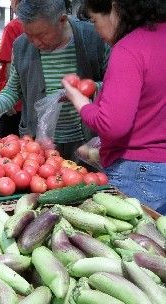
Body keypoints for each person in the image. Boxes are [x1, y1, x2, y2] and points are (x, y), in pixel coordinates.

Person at [62, 0, 166, 214]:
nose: (96, 30)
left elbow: (112, 126)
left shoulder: (129, 48)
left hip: (139, 175)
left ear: (115, 7)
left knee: (135, 244)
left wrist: (79, 101)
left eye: (94, 20)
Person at [0, 0, 108, 161]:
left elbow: (117, 87)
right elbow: (13, 89)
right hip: (39, 145)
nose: (36, 42)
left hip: (86, 143)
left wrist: (91, 89)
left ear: (62, 20)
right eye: (29, 35)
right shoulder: (21, 45)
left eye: (42, 35)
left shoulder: (94, 38)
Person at [0, 0, 24, 137]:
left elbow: (10, 63)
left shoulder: (14, 26)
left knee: (9, 140)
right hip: (32, 101)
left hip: (15, 101)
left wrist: (9, 98)